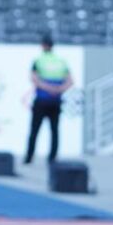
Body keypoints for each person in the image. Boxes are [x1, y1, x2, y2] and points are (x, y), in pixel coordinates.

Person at [25, 33, 73, 165]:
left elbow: (34, 79)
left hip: (42, 99)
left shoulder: (39, 60)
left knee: (34, 130)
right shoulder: (61, 61)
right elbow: (70, 81)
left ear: (43, 46)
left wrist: (48, 88)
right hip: (55, 101)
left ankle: (29, 157)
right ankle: (52, 158)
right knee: (54, 131)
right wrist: (58, 89)